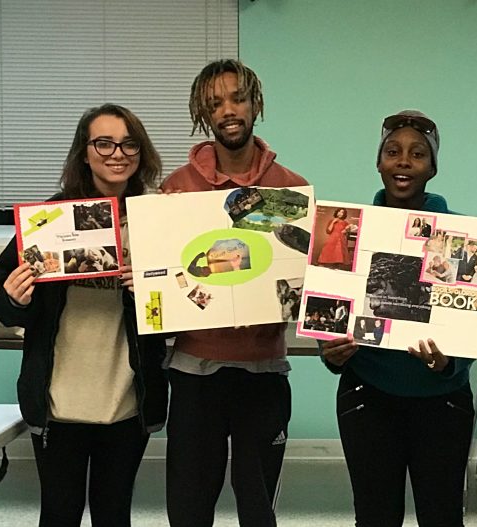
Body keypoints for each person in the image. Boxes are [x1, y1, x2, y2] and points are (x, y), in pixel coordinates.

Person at [319, 110, 477, 526]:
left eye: (417, 154)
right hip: (367, 395)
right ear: (379, 162)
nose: (403, 161)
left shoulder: (461, 237)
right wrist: (330, 350)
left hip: (443, 401)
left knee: (441, 516)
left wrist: (452, 360)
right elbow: (328, 306)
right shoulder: (350, 232)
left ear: (432, 167)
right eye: (393, 151)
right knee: (374, 516)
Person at [0, 104, 167, 527]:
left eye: (128, 144)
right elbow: (6, 307)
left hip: (127, 403)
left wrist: (155, 290)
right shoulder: (49, 221)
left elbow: (183, 308)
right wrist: (16, 300)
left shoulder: (156, 220)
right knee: (59, 515)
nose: (117, 154)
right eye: (103, 143)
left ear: (141, 152)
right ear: (84, 153)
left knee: (114, 515)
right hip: (59, 404)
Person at [160, 59, 308, 527]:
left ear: (255, 104)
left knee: (258, 508)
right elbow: (165, 278)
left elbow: (302, 281)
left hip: (263, 368)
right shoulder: (176, 190)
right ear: (203, 113)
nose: (228, 110)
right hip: (194, 370)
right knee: (189, 506)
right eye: (215, 103)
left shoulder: (291, 190)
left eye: (238, 98)